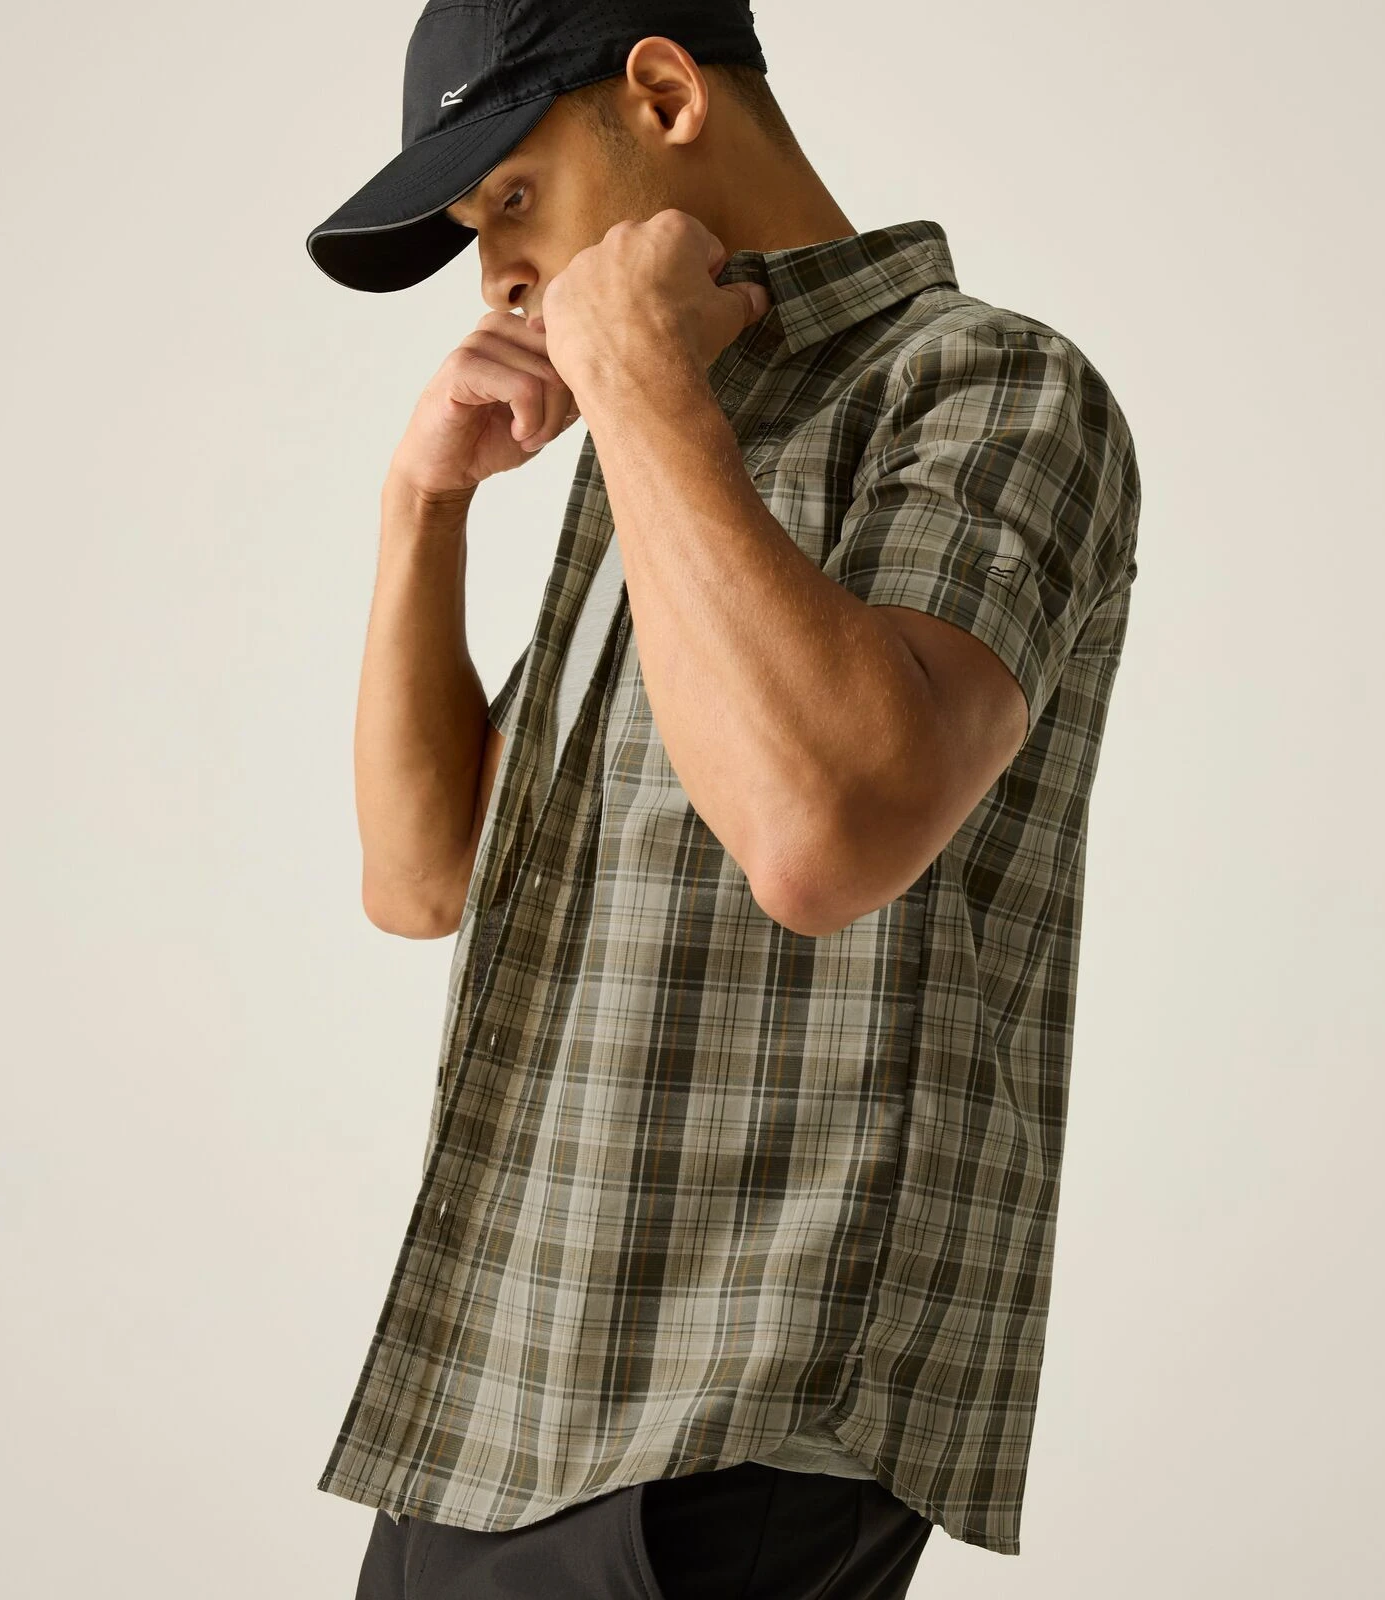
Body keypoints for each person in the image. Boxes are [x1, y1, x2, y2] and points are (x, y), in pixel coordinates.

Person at [303, 3, 1141, 1596]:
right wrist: (423, 508)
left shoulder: (987, 386)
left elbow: (826, 840)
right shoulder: (667, 434)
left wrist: (638, 392)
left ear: (666, 93)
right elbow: (422, 880)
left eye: (515, 199)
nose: (499, 280)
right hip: (490, 1398)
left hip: (734, 1422)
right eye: (480, 234)